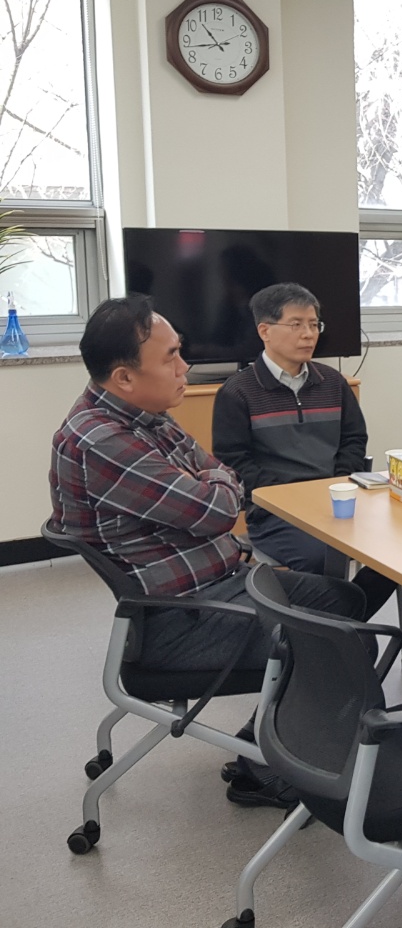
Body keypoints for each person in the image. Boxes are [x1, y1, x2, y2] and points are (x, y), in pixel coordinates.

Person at [50, 296, 366, 808]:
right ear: (124, 377)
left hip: (220, 582)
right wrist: (215, 483)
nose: (185, 367)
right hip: (178, 617)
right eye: (171, 357)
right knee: (341, 643)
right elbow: (219, 507)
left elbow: (219, 472)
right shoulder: (102, 440)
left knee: (344, 602)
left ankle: (265, 739)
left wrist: (213, 481)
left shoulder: (147, 416)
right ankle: (264, 769)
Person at [212, 283, 396, 619]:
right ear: (265, 331)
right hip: (276, 515)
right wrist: (293, 497)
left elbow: (354, 441)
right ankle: (337, 632)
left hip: (339, 503)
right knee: (321, 557)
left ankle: (339, 629)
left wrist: (336, 485)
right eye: (296, 324)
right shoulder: (237, 392)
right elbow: (234, 463)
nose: (309, 334)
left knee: (397, 548)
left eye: (314, 324)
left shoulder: (333, 383)